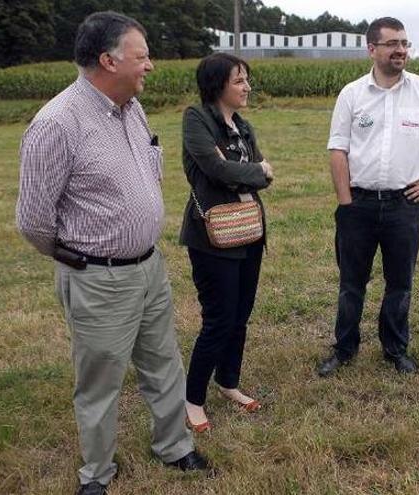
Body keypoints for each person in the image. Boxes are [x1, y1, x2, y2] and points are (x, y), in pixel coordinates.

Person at [15, 11, 207, 495]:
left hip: (149, 267)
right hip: (97, 277)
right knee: (99, 382)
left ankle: (174, 446)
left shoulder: (131, 108)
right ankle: (97, 474)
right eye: (142, 57)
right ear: (108, 60)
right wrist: (79, 260)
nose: (151, 66)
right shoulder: (57, 124)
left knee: (163, 361)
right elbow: (34, 221)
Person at [318, 17, 419, 377]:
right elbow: (338, 150)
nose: (401, 50)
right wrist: (345, 203)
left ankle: (395, 349)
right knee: (351, 283)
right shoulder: (352, 94)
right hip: (358, 204)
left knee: (400, 283)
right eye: (392, 44)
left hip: (405, 205)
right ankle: (344, 348)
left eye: (405, 43)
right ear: (372, 49)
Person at [179, 53, 274, 432]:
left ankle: (228, 382)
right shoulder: (196, 119)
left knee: (240, 316)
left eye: (247, 79)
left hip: (249, 230)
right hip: (212, 237)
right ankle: (193, 398)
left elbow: (261, 172)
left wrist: (248, 172)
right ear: (218, 84)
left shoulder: (244, 126)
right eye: (239, 80)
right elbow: (216, 169)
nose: (247, 87)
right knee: (218, 320)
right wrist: (251, 172)